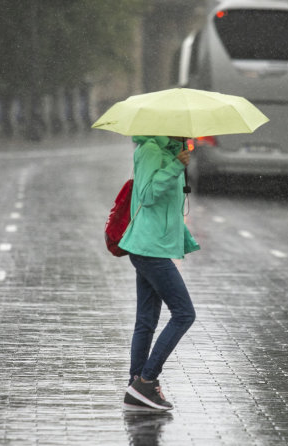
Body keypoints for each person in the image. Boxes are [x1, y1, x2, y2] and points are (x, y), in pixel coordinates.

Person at [119, 135, 200, 412]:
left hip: (152, 245)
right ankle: (147, 379)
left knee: (146, 320)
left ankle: (136, 387)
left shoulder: (169, 150)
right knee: (184, 314)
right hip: (149, 248)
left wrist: (183, 239)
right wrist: (176, 166)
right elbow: (148, 195)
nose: (188, 132)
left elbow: (168, 211)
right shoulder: (151, 150)